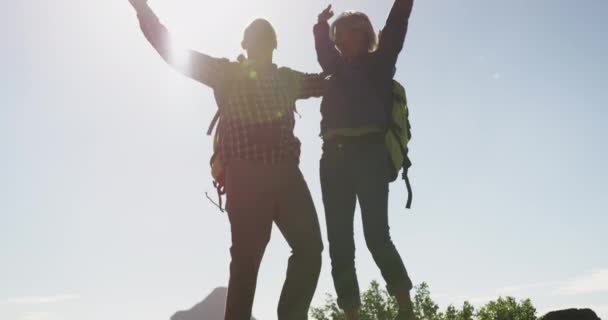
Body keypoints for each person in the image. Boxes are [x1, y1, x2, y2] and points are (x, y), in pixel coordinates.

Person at [128, 1, 326, 319]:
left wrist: (333, 44)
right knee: (246, 265)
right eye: (254, 38)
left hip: (288, 175)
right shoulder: (225, 73)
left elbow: (328, 82)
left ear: (273, 45)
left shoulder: (288, 79)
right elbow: (170, 50)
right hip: (246, 176)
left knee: (310, 250)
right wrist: (142, 9)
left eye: (265, 38)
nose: (260, 43)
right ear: (245, 45)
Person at [312, 1, 416, 320]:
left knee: (376, 236)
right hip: (333, 158)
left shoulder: (380, 63)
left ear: (364, 35)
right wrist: (319, 27)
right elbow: (323, 54)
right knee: (340, 240)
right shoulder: (335, 67)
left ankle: (405, 308)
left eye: (348, 31)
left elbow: (397, 25)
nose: (341, 37)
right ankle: (352, 315)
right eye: (337, 33)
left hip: (369, 154)